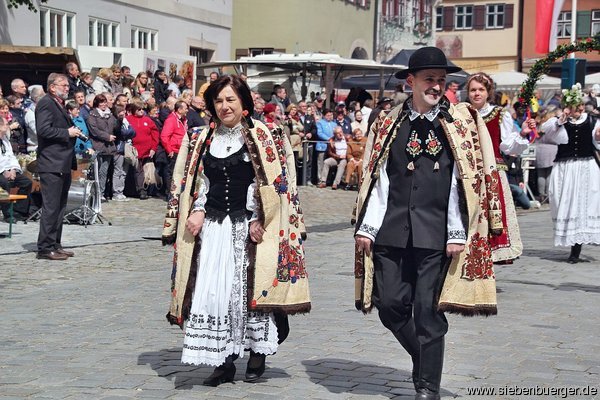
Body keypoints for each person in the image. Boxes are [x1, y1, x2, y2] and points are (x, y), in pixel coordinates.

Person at [353, 47, 503, 400]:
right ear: (411, 82)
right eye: (429, 79)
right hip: (391, 228)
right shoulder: (389, 122)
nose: (437, 86)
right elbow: (378, 179)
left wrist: (456, 231)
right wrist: (367, 226)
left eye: (441, 80)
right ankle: (425, 359)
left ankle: (427, 387)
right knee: (389, 304)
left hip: (435, 233)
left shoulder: (458, 123)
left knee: (426, 310)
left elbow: (461, 181)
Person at [162, 74, 310, 386]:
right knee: (216, 292)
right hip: (215, 227)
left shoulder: (261, 136)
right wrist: (199, 210)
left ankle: (257, 354)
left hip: (247, 226)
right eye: (219, 100)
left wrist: (259, 216)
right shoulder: (202, 138)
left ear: (243, 102)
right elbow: (198, 182)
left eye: (230, 99)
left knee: (247, 291)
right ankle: (223, 359)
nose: (225, 105)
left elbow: (271, 183)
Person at [466, 72, 529, 263]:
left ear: (488, 92)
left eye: (481, 90)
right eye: (473, 90)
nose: (477, 94)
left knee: (493, 218)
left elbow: (508, 146)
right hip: (469, 173)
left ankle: (489, 263)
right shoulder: (461, 114)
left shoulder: (500, 115)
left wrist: (523, 133)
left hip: (492, 174)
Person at [539, 88, 600, 263]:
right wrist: (561, 119)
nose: (580, 109)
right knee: (564, 203)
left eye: (581, 105)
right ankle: (572, 241)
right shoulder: (558, 122)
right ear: (567, 107)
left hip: (585, 167)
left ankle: (576, 249)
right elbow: (547, 131)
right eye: (575, 106)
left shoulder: (592, 121)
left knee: (583, 205)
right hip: (564, 168)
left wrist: (598, 137)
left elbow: (597, 142)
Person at [35, 73, 83, 260]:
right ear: (52, 87)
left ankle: (55, 243)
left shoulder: (59, 104)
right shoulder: (46, 102)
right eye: (63, 85)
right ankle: (45, 248)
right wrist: (67, 132)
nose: (67, 88)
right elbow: (44, 129)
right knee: (51, 207)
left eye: (67, 85)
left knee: (61, 207)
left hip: (61, 162)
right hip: (51, 162)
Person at [126, 100, 159, 199]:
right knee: (135, 171)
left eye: (142, 109)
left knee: (142, 171)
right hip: (133, 151)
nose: (141, 111)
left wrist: (153, 148)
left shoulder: (148, 120)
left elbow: (155, 135)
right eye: (138, 109)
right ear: (133, 110)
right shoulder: (127, 119)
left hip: (146, 151)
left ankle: (142, 190)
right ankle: (135, 190)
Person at [87, 94, 117, 202]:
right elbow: (94, 130)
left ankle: (101, 193)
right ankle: (94, 194)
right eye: (101, 102)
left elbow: (115, 127)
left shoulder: (110, 115)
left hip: (108, 147)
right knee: (96, 171)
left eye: (105, 102)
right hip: (98, 145)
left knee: (104, 171)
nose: (104, 104)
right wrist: (107, 136)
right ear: (97, 104)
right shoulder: (92, 115)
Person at [0, 117, 32, 222]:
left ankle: (19, 211)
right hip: (1, 171)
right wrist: (4, 171)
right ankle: (7, 214)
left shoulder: (5, 140)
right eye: (5, 124)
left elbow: (11, 156)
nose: (7, 126)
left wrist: (13, 169)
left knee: (26, 182)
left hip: (9, 169)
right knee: (4, 184)